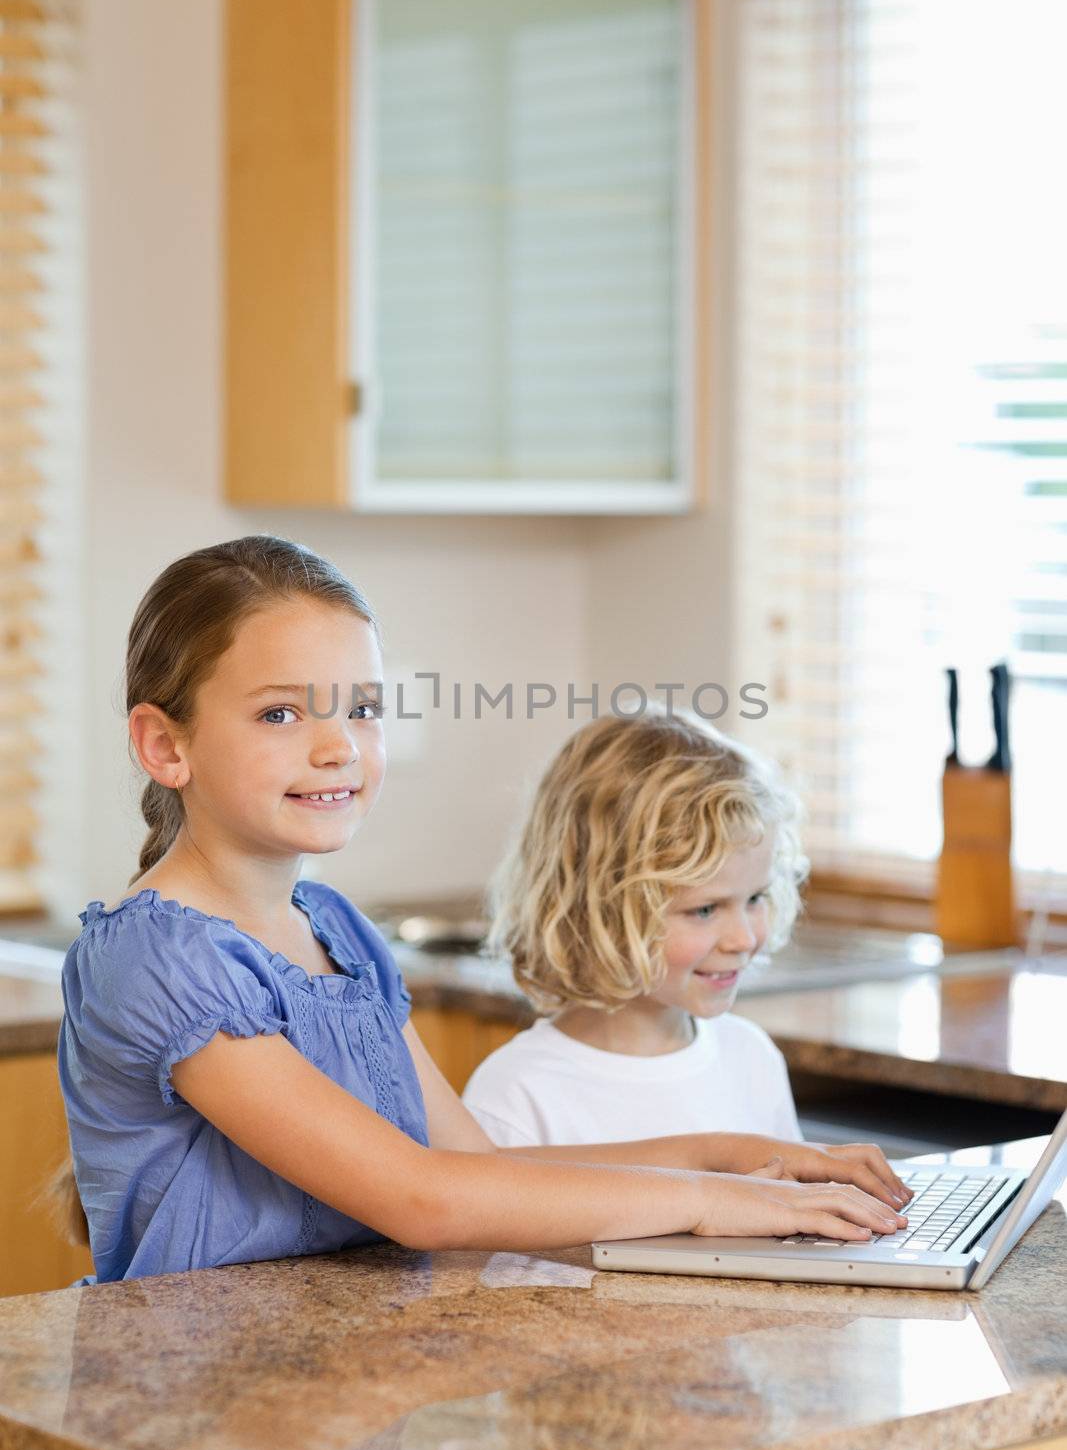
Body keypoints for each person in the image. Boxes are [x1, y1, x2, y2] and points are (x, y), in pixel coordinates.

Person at [55, 535, 909, 1283]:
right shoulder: (156, 958)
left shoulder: (335, 931)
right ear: (164, 744)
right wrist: (704, 1200)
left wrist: (732, 1159)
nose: (337, 746)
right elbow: (422, 1199)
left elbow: (473, 1164)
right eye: (280, 712)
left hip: (348, 1383)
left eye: (362, 707)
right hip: (205, 1402)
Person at [463, 711, 893, 1200]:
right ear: (599, 909)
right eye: (705, 909)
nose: (743, 938)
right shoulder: (517, 1097)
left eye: (755, 899)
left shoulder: (751, 1057)